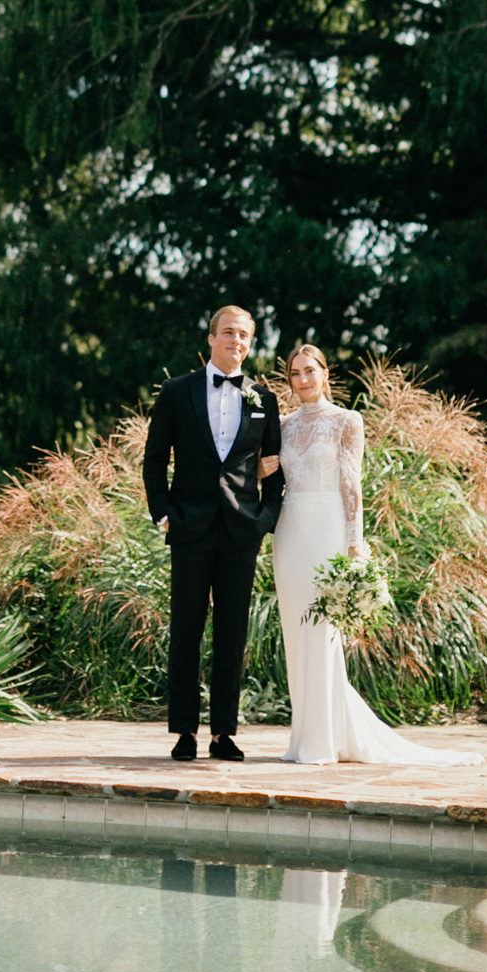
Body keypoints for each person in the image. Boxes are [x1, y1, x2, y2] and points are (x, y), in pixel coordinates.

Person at [264, 343, 484, 767]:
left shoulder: (348, 420)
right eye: (295, 373)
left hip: (327, 529)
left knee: (324, 633)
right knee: (297, 633)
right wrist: (259, 471)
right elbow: (268, 474)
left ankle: (325, 742)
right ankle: (306, 739)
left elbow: (352, 486)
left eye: (310, 370)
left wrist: (354, 547)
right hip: (289, 533)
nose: (303, 380)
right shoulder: (283, 425)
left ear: (326, 373)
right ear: (289, 380)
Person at [142, 304, 284, 761]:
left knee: (232, 632)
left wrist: (266, 519)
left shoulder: (265, 398)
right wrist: (162, 513)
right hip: (189, 525)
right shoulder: (176, 391)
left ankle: (224, 732)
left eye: (243, 335)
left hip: (241, 530)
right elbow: (153, 459)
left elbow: (275, 468)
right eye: (228, 333)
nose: (236, 342)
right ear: (211, 338)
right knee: (186, 627)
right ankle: (184, 730)